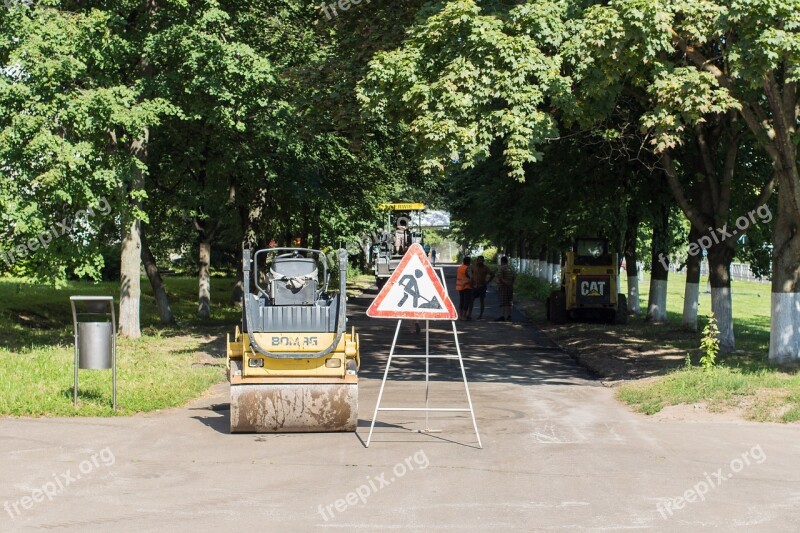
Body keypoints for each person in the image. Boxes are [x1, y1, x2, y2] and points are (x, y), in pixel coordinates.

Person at [495, 256, 516, 321]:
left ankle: (502, 316)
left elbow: (500, 277)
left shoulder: (501, 268)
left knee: (502, 301)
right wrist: (511, 284)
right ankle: (509, 316)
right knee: (509, 301)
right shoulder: (511, 268)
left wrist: (505, 283)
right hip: (510, 287)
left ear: (501, 261)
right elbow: (514, 277)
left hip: (503, 287)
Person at [456, 256, 473, 320]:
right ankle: (464, 316)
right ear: (469, 262)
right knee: (466, 302)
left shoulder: (459, 268)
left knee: (461, 301)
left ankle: (460, 316)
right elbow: (470, 278)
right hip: (467, 287)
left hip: (460, 286)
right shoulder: (468, 268)